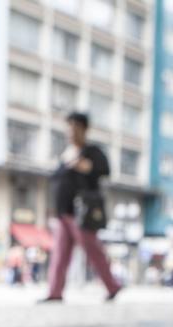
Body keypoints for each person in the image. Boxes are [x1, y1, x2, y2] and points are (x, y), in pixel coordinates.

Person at [39, 112, 122, 303]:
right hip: (62, 213)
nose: (71, 132)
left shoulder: (92, 151)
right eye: (69, 128)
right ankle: (55, 292)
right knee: (59, 255)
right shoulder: (66, 154)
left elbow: (104, 171)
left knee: (93, 251)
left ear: (84, 129)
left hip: (81, 213)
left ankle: (112, 286)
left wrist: (86, 166)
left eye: (75, 127)